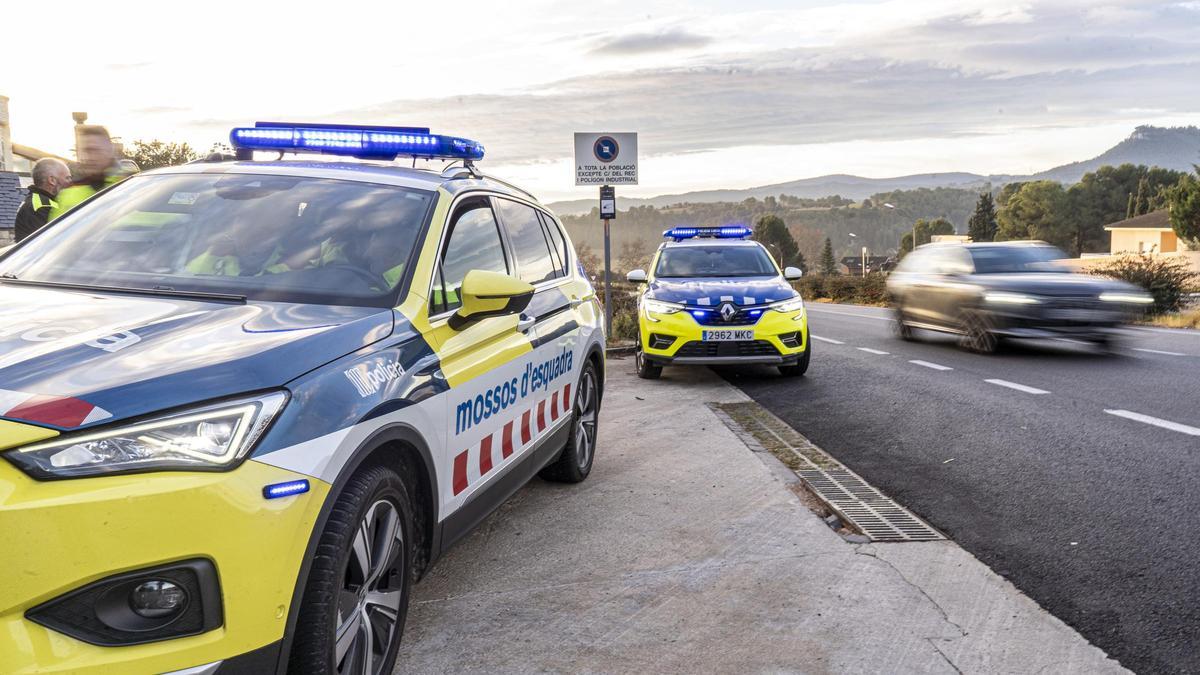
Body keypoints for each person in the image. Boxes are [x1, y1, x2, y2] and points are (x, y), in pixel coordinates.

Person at [47, 126, 135, 221]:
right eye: (85, 151)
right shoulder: (68, 193)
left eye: (95, 150)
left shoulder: (132, 186)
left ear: (110, 150)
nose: (89, 157)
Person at [13, 158, 71, 242]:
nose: (70, 182)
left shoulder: (37, 201)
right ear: (52, 180)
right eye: (67, 178)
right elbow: (55, 241)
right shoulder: (41, 206)